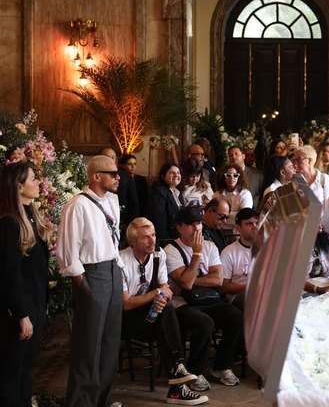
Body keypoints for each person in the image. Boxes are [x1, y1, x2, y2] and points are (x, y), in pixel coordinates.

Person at [57, 155, 124, 407]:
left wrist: (117, 272)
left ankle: (102, 400)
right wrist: (81, 281)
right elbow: (67, 248)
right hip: (91, 274)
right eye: (113, 173)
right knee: (88, 344)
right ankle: (80, 402)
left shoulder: (113, 201)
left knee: (109, 343)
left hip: (112, 272)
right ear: (97, 176)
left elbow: (112, 240)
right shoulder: (78, 205)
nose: (118, 177)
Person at [119, 217, 207, 405]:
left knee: (166, 309)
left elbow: (167, 290)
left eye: (153, 235)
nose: (152, 241)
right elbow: (125, 304)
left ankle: (177, 374)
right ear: (133, 241)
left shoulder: (158, 255)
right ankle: (178, 372)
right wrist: (157, 293)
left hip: (152, 315)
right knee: (166, 316)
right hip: (127, 320)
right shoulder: (121, 260)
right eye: (145, 237)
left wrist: (161, 298)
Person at [164, 207, 244, 390]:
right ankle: (195, 371)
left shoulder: (210, 246)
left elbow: (217, 279)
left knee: (237, 317)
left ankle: (222, 366)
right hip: (182, 304)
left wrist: (192, 281)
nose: (197, 228)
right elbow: (185, 282)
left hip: (209, 299)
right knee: (204, 323)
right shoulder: (171, 250)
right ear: (179, 227)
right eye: (191, 225)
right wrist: (196, 255)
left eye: (199, 223)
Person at [0, 162, 53, 407]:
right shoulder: (9, 223)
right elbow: (10, 274)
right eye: (33, 179)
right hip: (21, 310)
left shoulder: (29, 215)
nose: (37, 183)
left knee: (25, 369)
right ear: (19, 186)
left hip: (35, 306)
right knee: (12, 373)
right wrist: (22, 314)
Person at [220, 208, 258, 310]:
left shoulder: (267, 248)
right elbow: (223, 286)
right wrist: (251, 287)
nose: (255, 226)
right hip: (239, 297)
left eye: (257, 223)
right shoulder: (228, 253)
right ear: (238, 228)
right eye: (249, 224)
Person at [147, 162, 184, 243]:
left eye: (178, 173)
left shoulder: (179, 193)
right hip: (166, 240)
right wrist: (165, 241)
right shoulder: (159, 193)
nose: (176, 175)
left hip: (177, 238)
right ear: (163, 176)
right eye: (172, 173)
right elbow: (159, 221)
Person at [303, 230, 329, 295]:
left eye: (319, 219)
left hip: (327, 284)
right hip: (306, 289)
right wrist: (317, 289)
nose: (320, 223)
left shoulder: (326, 240)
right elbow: (296, 281)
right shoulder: (296, 246)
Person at [118, 154, 148, 218]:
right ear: (123, 165)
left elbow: (145, 198)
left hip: (140, 212)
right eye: (129, 164)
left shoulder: (141, 179)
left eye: (135, 164)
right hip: (126, 212)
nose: (133, 166)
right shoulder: (119, 179)